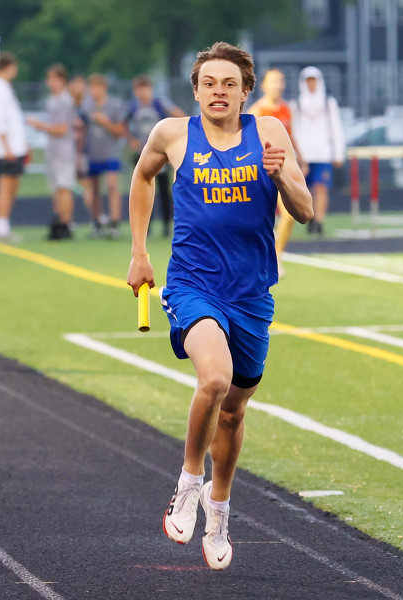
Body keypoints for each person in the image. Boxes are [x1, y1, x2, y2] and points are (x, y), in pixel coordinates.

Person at [127, 42, 312, 570]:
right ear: (196, 90)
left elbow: (304, 209)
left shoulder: (269, 133)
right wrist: (139, 253)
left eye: (229, 84)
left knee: (233, 412)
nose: (218, 92)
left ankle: (220, 510)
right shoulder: (172, 134)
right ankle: (189, 483)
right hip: (192, 285)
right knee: (214, 379)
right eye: (209, 83)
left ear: (245, 92)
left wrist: (280, 175)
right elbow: (143, 176)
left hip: (251, 294)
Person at [248, 68, 307, 275]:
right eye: (273, 81)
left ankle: (276, 256)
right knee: (256, 218)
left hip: (283, 169)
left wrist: (301, 159)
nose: (278, 85)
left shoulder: (286, 108)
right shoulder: (257, 110)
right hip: (261, 171)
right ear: (264, 85)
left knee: (289, 215)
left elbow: (291, 136)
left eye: (281, 80)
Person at [278, 66, 345, 247]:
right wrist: (293, 153)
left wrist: (338, 152)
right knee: (303, 188)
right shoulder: (297, 104)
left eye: (314, 81)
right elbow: (292, 130)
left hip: (323, 152)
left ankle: (319, 221)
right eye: (308, 81)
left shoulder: (328, 103)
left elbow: (336, 127)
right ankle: (307, 217)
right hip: (303, 154)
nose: (311, 85)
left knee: (321, 188)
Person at [125, 74, 185, 237]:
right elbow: (123, 125)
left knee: (164, 190)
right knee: (142, 189)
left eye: (145, 89)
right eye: (139, 89)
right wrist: (131, 140)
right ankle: (146, 226)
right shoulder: (133, 107)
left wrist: (172, 138)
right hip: (142, 153)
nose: (142, 93)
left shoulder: (159, 103)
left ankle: (166, 225)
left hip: (160, 153)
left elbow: (179, 114)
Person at [28, 64, 76, 240]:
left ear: (62, 80)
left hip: (63, 151)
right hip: (53, 151)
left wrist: (41, 126)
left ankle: (66, 223)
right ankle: (58, 221)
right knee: (56, 188)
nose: (51, 82)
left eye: (54, 78)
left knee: (64, 187)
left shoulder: (65, 100)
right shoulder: (51, 100)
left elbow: (62, 128)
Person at [82, 73, 126, 238]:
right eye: (91, 87)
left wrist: (104, 122)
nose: (94, 91)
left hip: (110, 153)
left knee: (112, 186)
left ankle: (114, 223)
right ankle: (97, 223)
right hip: (93, 153)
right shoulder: (87, 106)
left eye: (97, 87)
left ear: (104, 88)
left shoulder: (114, 105)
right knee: (94, 190)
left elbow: (120, 131)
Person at [0, 52, 29, 241]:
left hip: (11, 146)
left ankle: (1, 223)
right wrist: (7, 147)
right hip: (7, 148)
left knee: (9, 186)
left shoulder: (2, 87)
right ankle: (1, 225)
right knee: (6, 186)